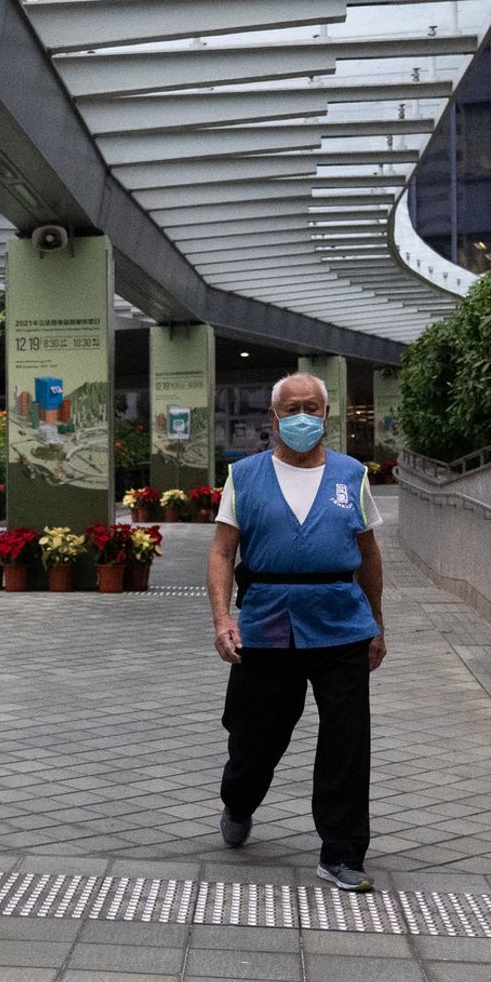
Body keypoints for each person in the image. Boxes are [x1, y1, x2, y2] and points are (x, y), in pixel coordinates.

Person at [204, 372, 387, 892]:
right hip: (267, 625)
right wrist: (223, 619)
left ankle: (343, 852)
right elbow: (221, 552)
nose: (302, 415)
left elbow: (369, 555)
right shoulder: (245, 476)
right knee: (256, 738)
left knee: (347, 743)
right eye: (291, 407)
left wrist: (376, 623)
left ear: (326, 414)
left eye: (312, 406)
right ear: (274, 416)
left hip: (341, 625)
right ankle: (239, 799)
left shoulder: (352, 475)